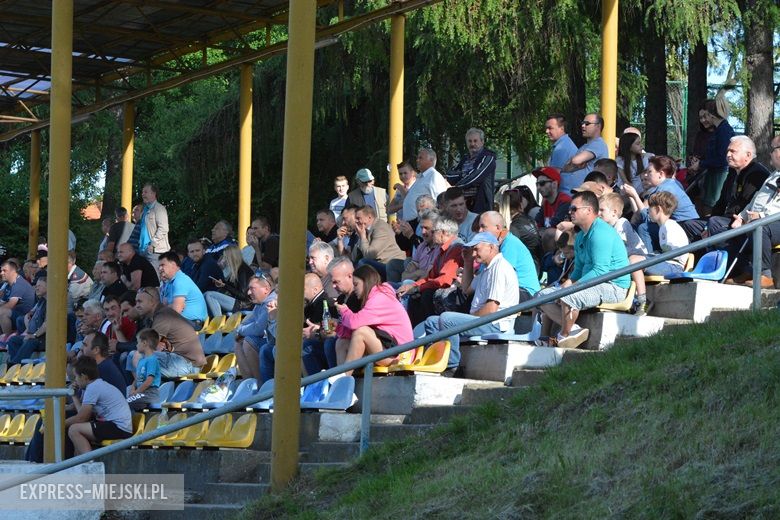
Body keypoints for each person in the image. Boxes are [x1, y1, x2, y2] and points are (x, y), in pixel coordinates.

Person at [536, 191, 630, 348]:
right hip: (593, 283)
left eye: (574, 208)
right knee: (541, 296)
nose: (570, 212)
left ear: (589, 210)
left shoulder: (601, 232)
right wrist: (569, 282)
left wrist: (573, 286)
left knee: (567, 295)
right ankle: (573, 330)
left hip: (613, 285)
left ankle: (563, 337)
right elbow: (578, 269)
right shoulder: (580, 236)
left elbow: (601, 271)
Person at [417, 232, 519, 374]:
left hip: (497, 324)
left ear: (491, 247)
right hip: (486, 321)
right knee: (431, 322)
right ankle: (435, 362)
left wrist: (469, 319)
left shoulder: (499, 268)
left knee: (447, 319)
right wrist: (468, 262)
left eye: (477, 249)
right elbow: (466, 289)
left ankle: (452, 367)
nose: (474, 253)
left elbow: (491, 310)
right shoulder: (487, 268)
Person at [684, 135, 770, 240]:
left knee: (714, 223)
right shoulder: (733, 172)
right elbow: (721, 203)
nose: (728, 155)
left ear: (748, 155)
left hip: (741, 223)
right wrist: (707, 224)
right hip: (722, 220)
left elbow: (744, 205)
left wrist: (713, 222)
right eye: (728, 151)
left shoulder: (757, 174)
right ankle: (696, 256)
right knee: (689, 224)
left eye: (733, 151)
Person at [334, 265, 413, 374]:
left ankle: (342, 380)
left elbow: (354, 322)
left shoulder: (380, 298)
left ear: (366, 282)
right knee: (341, 343)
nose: (354, 289)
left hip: (400, 356)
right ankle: (342, 380)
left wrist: (344, 311)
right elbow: (350, 329)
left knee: (361, 332)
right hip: (389, 347)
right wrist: (337, 328)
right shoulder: (374, 296)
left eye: (356, 284)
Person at [724, 135, 780, 288]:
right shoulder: (774, 175)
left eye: (773, 149)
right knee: (737, 228)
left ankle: (765, 275)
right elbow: (756, 198)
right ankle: (749, 270)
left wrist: (761, 216)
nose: (769, 153)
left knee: (760, 228)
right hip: (762, 219)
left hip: (773, 222)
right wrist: (742, 217)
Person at [622, 155, 699, 252]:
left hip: (685, 230)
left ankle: (648, 260)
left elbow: (647, 217)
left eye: (650, 172)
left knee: (644, 228)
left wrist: (635, 196)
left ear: (660, 174)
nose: (646, 175)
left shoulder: (665, 190)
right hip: (687, 227)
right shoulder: (672, 183)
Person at [398, 217, 464, 326]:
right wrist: (414, 286)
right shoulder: (442, 249)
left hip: (454, 291)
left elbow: (444, 280)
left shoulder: (455, 247)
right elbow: (430, 276)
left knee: (426, 294)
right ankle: (413, 331)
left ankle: (427, 333)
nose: (432, 234)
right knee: (412, 293)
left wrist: (418, 288)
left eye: (434, 231)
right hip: (441, 287)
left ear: (443, 233)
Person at [66, 356, 133, 455]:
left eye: (76, 376)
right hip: (114, 425)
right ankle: (79, 465)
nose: (75, 380)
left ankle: (90, 465)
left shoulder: (93, 388)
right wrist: (75, 396)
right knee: (77, 441)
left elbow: (81, 418)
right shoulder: (92, 385)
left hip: (119, 427)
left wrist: (59, 424)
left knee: (74, 430)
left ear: (84, 377)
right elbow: (80, 411)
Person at [134, 286, 206, 378]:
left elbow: (149, 346)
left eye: (140, 301)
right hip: (182, 362)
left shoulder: (163, 315)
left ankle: (143, 389)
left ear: (152, 302)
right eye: (136, 302)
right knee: (133, 356)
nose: (136, 306)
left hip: (188, 365)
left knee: (138, 355)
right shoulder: (157, 315)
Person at [598, 193, 651, 315]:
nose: (598, 213)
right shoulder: (606, 229)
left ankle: (642, 299)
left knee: (633, 262)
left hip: (639, 256)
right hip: (624, 260)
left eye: (602, 210)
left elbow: (619, 249)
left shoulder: (621, 223)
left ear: (614, 212)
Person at [478, 211, 541, 301]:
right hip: (516, 289)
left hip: (527, 292)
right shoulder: (497, 243)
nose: (480, 231)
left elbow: (502, 276)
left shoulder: (510, 243)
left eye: (483, 227)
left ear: (498, 227)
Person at [688, 97, 735, 215]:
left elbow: (722, 158)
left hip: (719, 175)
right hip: (714, 175)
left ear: (711, 114)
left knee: (711, 207)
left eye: (705, 115)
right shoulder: (720, 130)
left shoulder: (723, 130)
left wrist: (701, 164)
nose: (703, 119)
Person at [234, 275, 277, 381]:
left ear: (266, 289)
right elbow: (247, 323)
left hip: (276, 343)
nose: (248, 293)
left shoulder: (270, 302)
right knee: (238, 343)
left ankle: (260, 385)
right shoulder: (259, 304)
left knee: (249, 341)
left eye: (252, 288)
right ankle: (249, 383)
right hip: (269, 342)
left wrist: (240, 330)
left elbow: (258, 329)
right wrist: (241, 330)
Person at [445, 128, 497, 213]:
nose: (472, 144)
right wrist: (464, 175)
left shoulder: (488, 157)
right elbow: (450, 175)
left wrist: (457, 186)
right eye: (470, 141)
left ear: (482, 141)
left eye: (475, 141)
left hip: (480, 206)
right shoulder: (465, 159)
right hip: (463, 205)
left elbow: (475, 176)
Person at [560, 113, 609, 195]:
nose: (583, 126)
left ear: (598, 126)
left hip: (585, 196)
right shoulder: (584, 146)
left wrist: (573, 163)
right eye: (582, 123)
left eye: (587, 124)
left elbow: (575, 160)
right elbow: (565, 168)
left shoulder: (599, 143)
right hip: (572, 194)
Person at [353, 205, 406, 281]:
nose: (356, 221)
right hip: (382, 263)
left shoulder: (380, 228)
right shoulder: (365, 230)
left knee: (363, 263)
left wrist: (363, 237)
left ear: (369, 217)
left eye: (358, 218)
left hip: (391, 265)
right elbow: (354, 257)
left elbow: (370, 255)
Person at [158, 251, 207, 329]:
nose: (160, 269)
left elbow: (176, 310)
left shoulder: (180, 280)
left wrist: (171, 306)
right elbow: (164, 306)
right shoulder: (169, 282)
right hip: (183, 321)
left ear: (173, 265)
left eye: (162, 265)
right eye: (159, 266)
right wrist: (170, 306)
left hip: (194, 323)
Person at [644, 191, 689, 277]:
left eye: (650, 208)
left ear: (658, 209)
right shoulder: (663, 227)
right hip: (667, 264)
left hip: (674, 267)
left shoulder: (669, 226)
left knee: (637, 261)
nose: (648, 211)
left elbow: (674, 253)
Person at [498, 188, 543, 273]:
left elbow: (508, 253)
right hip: (537, 265)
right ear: (521, 204)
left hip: (526, 270)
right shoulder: (530, 220)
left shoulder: (514, 227)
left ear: (502, 206)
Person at [203, 244, 254, 317]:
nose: (224, 259)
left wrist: (225, 286)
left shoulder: (243, 270)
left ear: (231, 257)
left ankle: (218, 322)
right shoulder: (236, 269)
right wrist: (222, 284)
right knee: (205, 295)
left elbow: (243, 295)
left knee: (209, 294)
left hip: (243, 304)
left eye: (225, 257)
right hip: (238, 302)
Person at [6, 276, 47, 364]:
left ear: (48, 287)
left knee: (30, 340)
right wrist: (29, 330)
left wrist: (34, 335)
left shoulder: (51, 303)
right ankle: (17, 366)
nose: (36, 287)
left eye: (39, 285)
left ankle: (14, 365)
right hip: (34, 336)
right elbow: (30, 315)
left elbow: (47, 325)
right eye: (36, 285)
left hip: (43, 339)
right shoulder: (41, 301)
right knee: (13, 340)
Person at [402, 148, 450, 221]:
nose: (417, 160)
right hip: (413, 223)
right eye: (417, 158)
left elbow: (440, 202)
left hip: (422, 222)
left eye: (420, 158)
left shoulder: (434, 176)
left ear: (431, 160)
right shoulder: (422, 177)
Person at [136, 183, 170, 270]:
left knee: (155, 279)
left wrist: (152, 244)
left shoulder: (159, 208)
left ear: (153, 194)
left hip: (155, 251)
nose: (143, 194)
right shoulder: (145, 210)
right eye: (142, 192)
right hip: (143, 250)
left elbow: (163, 228)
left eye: (146, 192)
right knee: (146, 279)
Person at [127, 328, 162, 412]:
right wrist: (132, 388)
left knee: (126, 402)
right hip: (142, 393)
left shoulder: (152, 360)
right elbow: (138, 378)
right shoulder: (142, 360)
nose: (136, 345)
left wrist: (137, 392)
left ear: (144, 343)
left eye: (138, 342)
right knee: (126, 399)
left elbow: (149, 380)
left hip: (150, 394)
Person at [0, 260, 35, 334]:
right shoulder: (8, 284)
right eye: (1, 270)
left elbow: (10, 305)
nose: (1, 273)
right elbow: (2, 302)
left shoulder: (19, 284)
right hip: (15, 313)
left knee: (2, 311)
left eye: (4, 271)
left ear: (12, 272)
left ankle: (6, 338)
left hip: (25, 316)